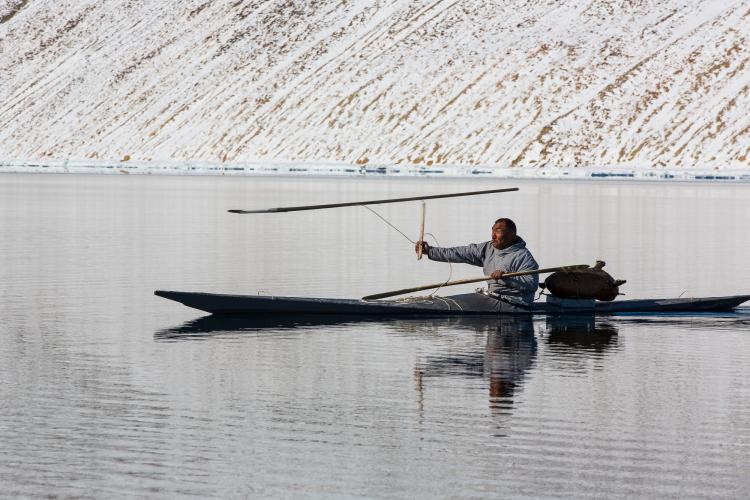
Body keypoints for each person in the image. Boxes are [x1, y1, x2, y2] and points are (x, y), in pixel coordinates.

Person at [415, 218, 539, 306]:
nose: (493, 235)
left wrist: (505, 277)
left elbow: (531, 285)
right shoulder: (487, 248)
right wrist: (430, 251)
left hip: (515, 303)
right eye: (492, 230)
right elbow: (459, 253)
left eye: (498, 231)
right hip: (493, 297)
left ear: (512, 234)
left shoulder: (523, 256)